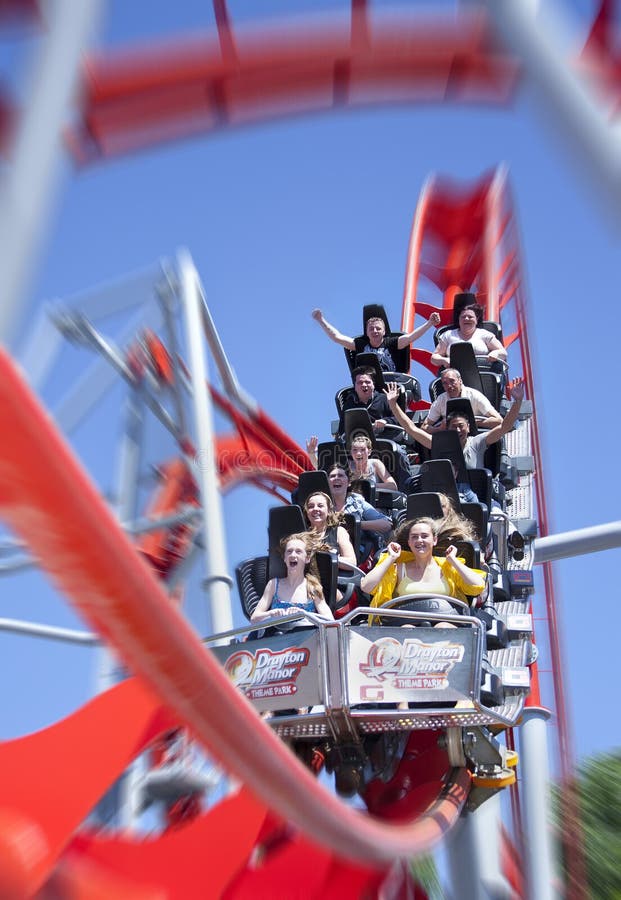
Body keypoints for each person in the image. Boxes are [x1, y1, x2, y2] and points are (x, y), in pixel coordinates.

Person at [383, 379, 525, 469]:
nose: (458, 430)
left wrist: (517, 402)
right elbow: (411, 428)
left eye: (461, 426)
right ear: (448, 430)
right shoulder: (440, 444)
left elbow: (504, 426)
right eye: (454, 427)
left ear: (469, 427)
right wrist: (393, 405)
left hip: (472, 492)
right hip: (448, 493)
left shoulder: (478, 442)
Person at [359, 517, 486, 616]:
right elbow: (366, 587)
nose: (419, 540)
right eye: (414, 537)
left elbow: (477, 586)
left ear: (434, 540)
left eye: (424, 536)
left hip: (445, 624)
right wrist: (391, 557)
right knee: (409, 628)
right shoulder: (397, 568)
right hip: (406, 626)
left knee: (442, 628)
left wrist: (454, 561)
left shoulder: (447, 567)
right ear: (409, 543)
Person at [312, 308, 441, 372]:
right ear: (367, 332)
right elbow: (337, 337)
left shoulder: (392, 343)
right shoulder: (361, 345)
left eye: (378, 329)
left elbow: (412, 336)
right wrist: (320, 320)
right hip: (370, 384)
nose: (375, 331)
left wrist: (429, 323)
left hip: (391, 383)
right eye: (371, 329)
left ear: (384, 332)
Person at [251, 533, 334, 623]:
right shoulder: (273, 585)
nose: (293, 555)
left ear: (307, 558)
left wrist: (305, 614)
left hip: (306, 635)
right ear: (284, 558)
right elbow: (254, 619)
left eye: (298, 551)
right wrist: (271, 614)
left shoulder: (312, 587)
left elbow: (329, 619)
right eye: (289, 551)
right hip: (278, 634)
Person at [326, 464, 392, 557]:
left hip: (357, 550)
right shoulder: (321, 502)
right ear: (327, 482)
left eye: (340, 475)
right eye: (332, 476)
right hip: (329, 548)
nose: (336, 478)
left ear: (348, 482)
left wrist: (356, 525)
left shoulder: (357, 501)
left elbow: (387, 524)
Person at [430, 301, 507, 371]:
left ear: (476, 320)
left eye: (470, 317)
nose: (466, 319)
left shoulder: (485, 334)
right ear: (459, 320)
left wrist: (496, 353)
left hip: (482, 372)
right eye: (463, 317)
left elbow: (503, 352)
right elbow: (434, 358)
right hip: (455, 374)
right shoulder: (448, 335)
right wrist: (444, 360)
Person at [423, 368, 502, 432]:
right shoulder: (440, 400)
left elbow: (499, 421)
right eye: (445, 383)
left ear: (460, 381)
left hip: (475, 438)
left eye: (452, 381)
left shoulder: (474, 395)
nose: (449, 386)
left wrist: (472, 422)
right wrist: (439, 429)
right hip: (450, 440)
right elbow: (424, 427)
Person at [337, 366, 400, 437]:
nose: (364, 385)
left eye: (367, 382)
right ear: (355, 386)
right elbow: (342, 430)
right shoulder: (349, 405)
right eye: (360, 382)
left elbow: (399, 419)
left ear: (373, 384)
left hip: (383, 439)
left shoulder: (385, 399)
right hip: (359, 441)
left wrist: (385, 421)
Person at [303, 491, 357, 568]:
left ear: (328, 511)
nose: (315, 509)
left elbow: (352, 562)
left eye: (320, 506)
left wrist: (325, 559)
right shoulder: (301, 535)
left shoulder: (339, 532)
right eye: (311, 506)